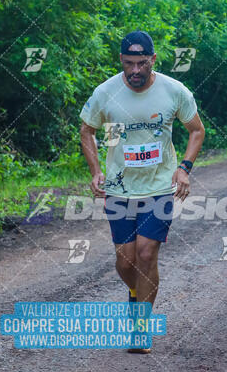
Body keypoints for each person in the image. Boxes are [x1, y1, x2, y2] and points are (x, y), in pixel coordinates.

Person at [80, 30, 205, 352]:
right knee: (126, 261)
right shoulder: (105, 92)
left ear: (153, 60)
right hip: (120, 189)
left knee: (147, 254)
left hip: (161, 187)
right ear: (120, 61)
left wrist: (185, 168)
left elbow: (196, 131)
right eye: (128, 64)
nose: (135, 71)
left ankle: (141, 327)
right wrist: (96, 171)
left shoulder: (174, 91)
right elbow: (87, 131)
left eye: (141, 63)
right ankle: (137, 293)